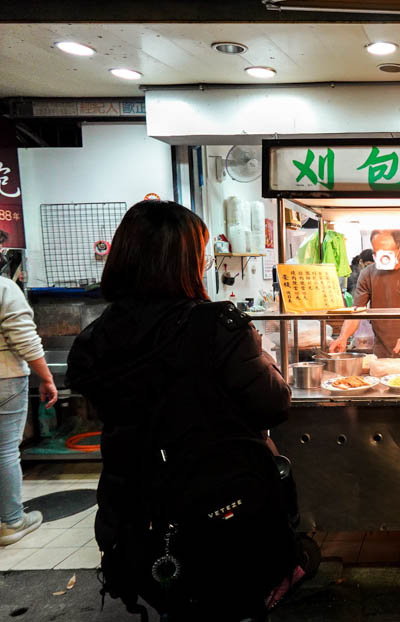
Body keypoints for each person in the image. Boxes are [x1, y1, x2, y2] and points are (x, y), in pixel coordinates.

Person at [67, 200, 302, 620]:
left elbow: (106, 412)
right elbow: (273, 403)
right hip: (220, 506)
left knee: (172, 600)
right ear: (186, 261)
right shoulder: (215, 325)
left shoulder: (94, 339)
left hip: (136, 510)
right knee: (227, 601)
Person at [0, 278, 58, 547]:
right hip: (5, 377)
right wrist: (46, 377)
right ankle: (11, 522)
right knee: (4, 451)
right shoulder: (3, 288)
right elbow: (23, 337)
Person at [329, 230, 400, 358]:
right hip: (383, 353)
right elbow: (356, 313)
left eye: (388, 252)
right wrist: (343, 337)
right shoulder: (367, 274)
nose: (383, 257)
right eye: (377, 253)